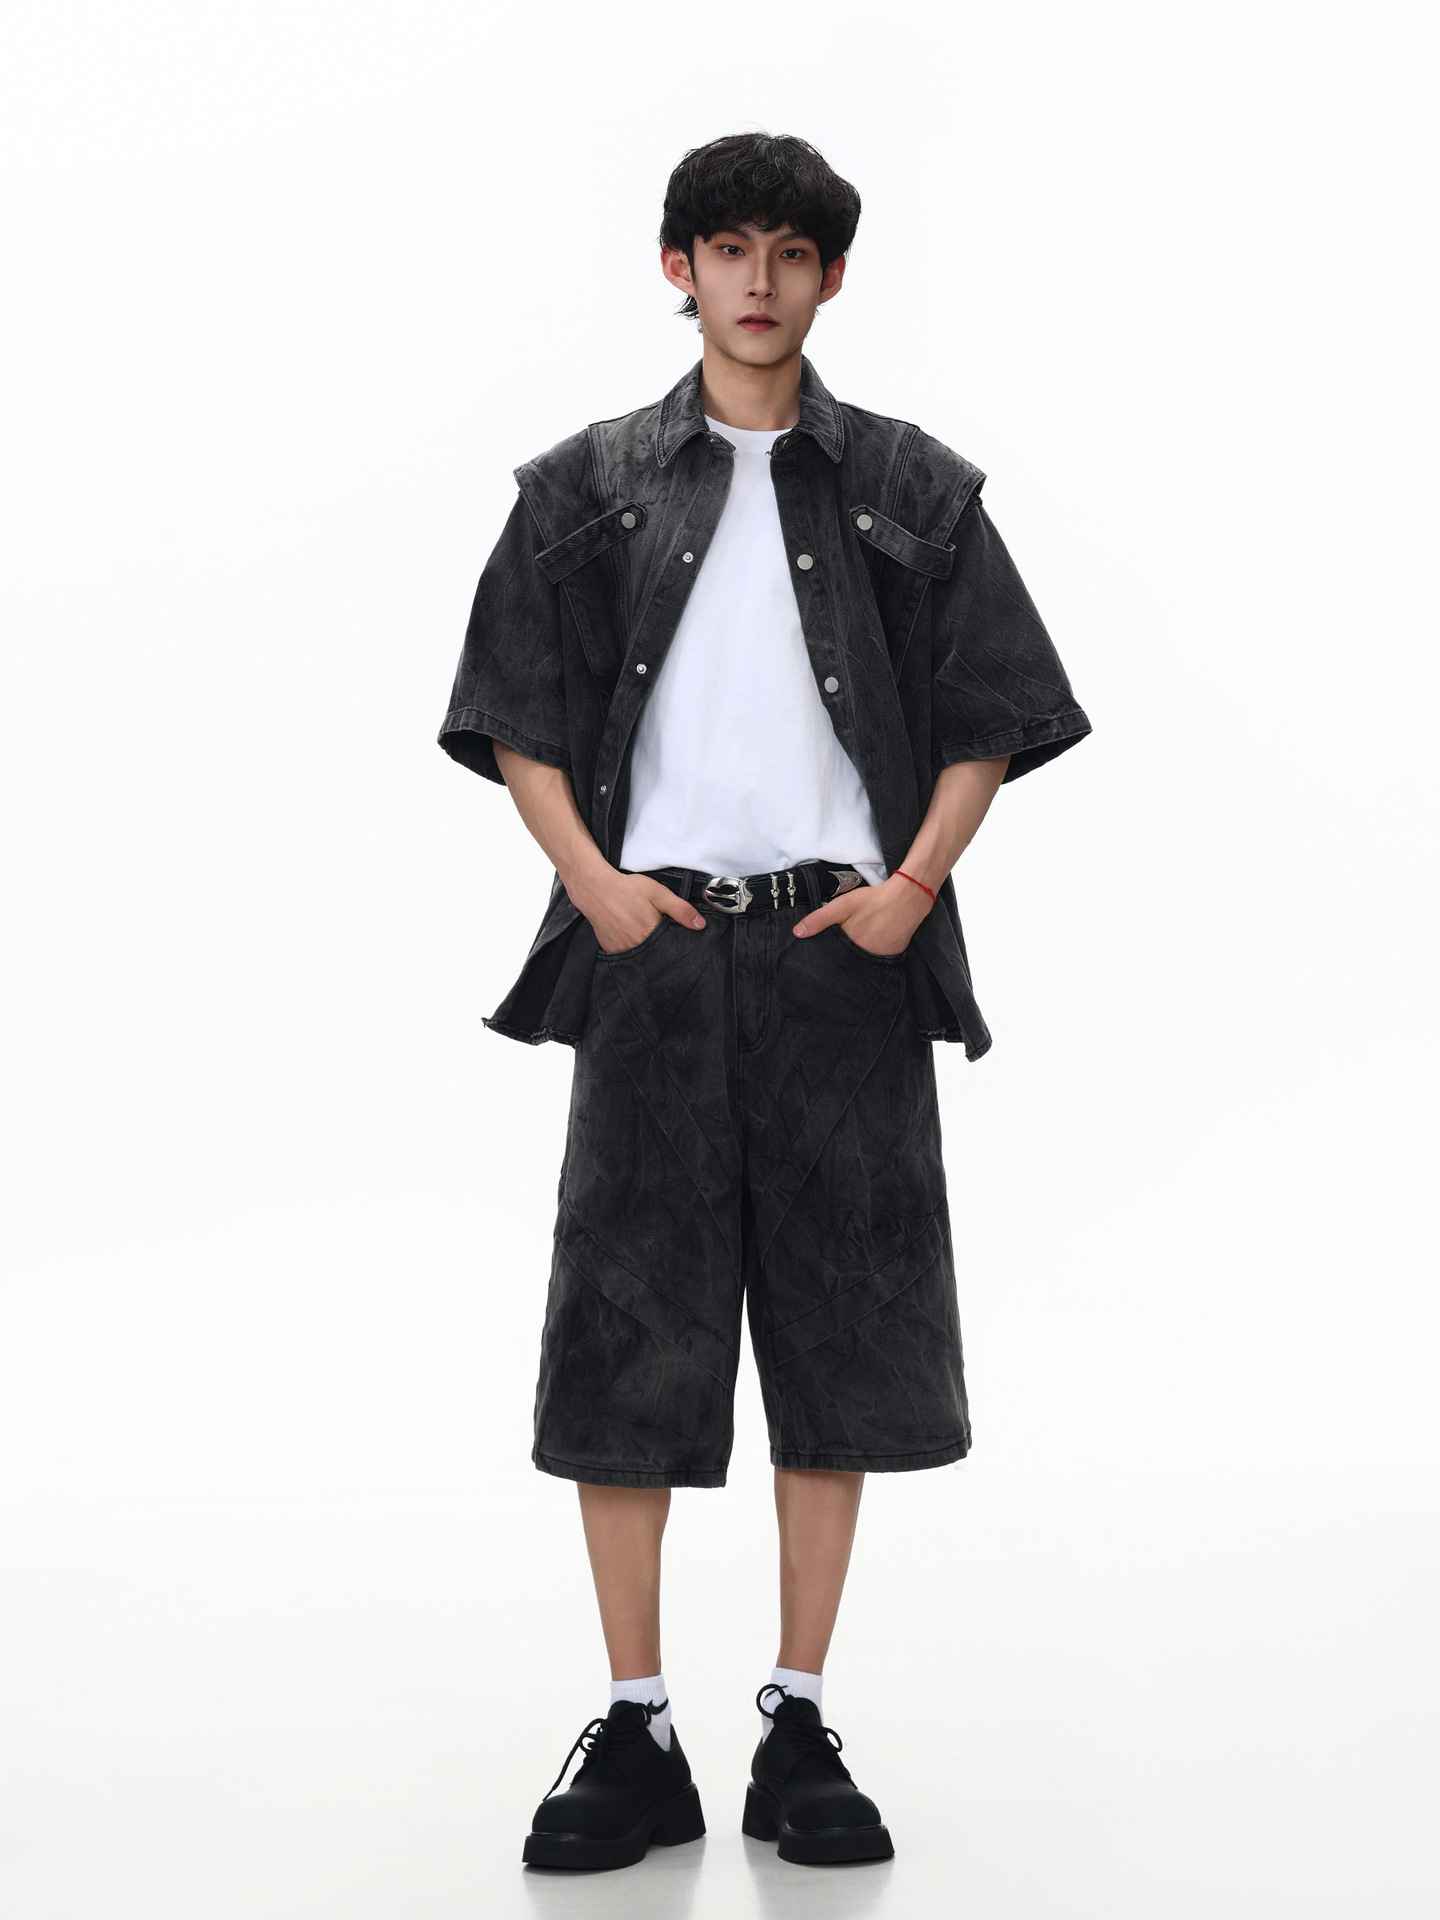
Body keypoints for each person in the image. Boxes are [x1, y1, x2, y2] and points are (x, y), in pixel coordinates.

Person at [438, 131, 1091, 1872]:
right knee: (627, 1336)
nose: (758, 280)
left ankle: (799, 1716)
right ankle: (637, 1726)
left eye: (791, 252)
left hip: (836, 955)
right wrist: (595, 887)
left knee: (839, 1336)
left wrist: (911, 889)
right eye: (727, 248)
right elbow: (515, 704)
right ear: (679, 268)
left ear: (831, 278)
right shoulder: (584, 484)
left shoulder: (915, 486)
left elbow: (991, 707)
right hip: (651, 955)